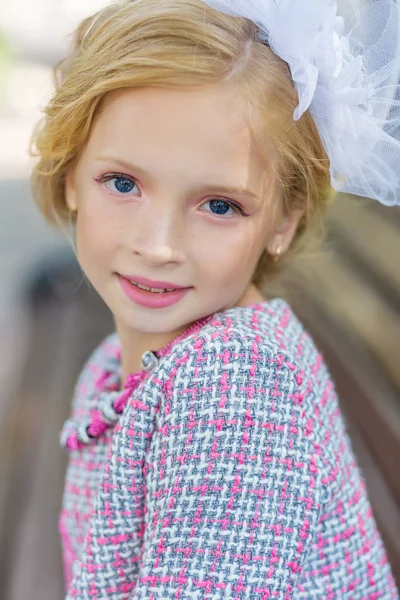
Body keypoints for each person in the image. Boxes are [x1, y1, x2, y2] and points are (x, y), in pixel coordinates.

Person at [30, 0, 400, 597]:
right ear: (71, 175)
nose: (158, 245)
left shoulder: (237, 384)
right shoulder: (133, 363)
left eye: (220, 205)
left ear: (283, 221)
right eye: (123, 183)